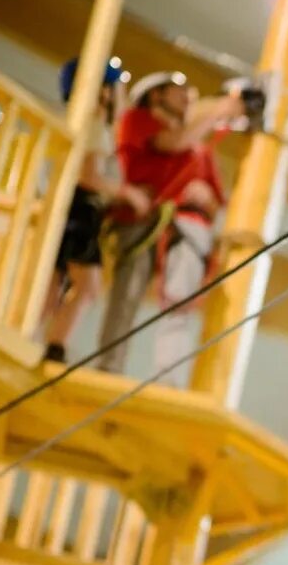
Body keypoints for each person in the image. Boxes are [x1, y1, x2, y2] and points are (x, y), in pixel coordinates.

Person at [96, 71, 242, 383]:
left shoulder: (196, 149)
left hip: (172, 226)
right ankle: (109, 367)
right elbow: (172, 143)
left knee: (177, 299)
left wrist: (205, 199)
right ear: (156, 95)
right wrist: (219, 109)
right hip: (136, 221)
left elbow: (217, 202)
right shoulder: (140, 119)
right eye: (178, 90)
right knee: (127, 296)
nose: (187, 95)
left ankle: (166, 375)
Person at [40, 56, 151, 364]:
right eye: (118, 86)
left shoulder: (85, 121)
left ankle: (42, 338)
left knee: (55, 283)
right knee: (86, 286)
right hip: (80, 209)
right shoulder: (94, 123)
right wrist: (128, 193)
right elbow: (89, 176)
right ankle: (55, 345)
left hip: (74, 207)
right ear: (103, 90)